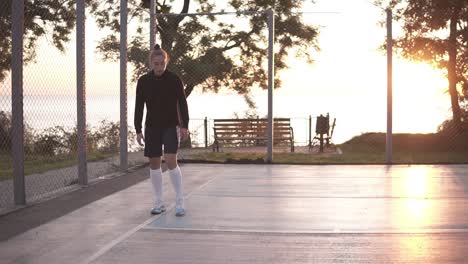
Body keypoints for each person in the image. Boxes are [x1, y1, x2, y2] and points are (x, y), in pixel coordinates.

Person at [134, 44, 189, 217]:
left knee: (171, 159)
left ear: (166, 62)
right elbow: (139, 106)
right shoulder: (143, 81)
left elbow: (182, 103)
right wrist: (137, 129)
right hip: (151, 127)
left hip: (170, 126)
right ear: (151, 63)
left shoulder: (174, 79)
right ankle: (159, 202)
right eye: (156, 64)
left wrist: (184, 125)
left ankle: (179, 202)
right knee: (154, 163)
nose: (159, 67)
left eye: (162, 63)